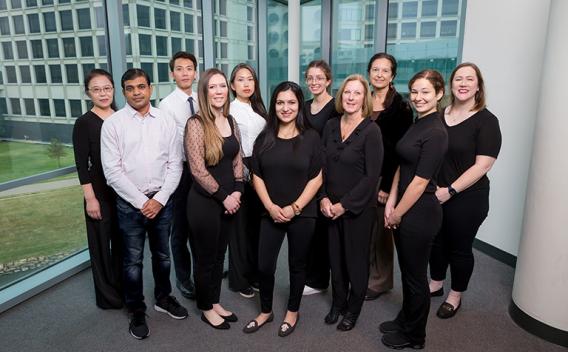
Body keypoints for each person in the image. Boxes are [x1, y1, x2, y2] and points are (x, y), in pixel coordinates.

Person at [101, 68, 188, 340]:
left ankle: (164, 297)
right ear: (123, 91)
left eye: (141, 86)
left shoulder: (166, 120)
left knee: (163, 255)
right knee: (132, 261)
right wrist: (142, 202)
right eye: (130, 88)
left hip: (162, 201)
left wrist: (159, 199)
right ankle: (136, 309)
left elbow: (176, 164)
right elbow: (112, 172)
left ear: (150, 88)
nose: (136, 92)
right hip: (130, 204)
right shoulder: (113, 124)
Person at [243, 81, 322, 337]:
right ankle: (266, 311)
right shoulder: (265, 137)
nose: (285, 108)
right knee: (264, 265)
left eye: (291, 102)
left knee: (297, 265)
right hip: (271, 211)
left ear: (299, 105)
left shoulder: (311, 137)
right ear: (273, 105)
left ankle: (292, 311)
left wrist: (295, 208)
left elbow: (317, 177)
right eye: (280, 102)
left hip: (302, 212)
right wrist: (270, 206)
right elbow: (256, 175)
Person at [380, 69, 448, 349]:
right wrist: (392, 202)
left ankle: (415, 335)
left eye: (425, 92)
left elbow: (420, 182)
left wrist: (397, 213)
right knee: (408, 272)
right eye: (415, 92)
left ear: (439, 94)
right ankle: (405, 319)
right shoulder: (417, 122)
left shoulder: (436, 131)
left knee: (415, 277)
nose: (418, 98)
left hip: (420, 214)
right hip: (404, 207)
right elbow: (401, 166)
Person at [428, 63, 502, 319]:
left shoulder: (486, 120)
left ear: (478, 86)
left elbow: (483, 165)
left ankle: (455, 294)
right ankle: (436, 283)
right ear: (451, 84)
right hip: (435, 193)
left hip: (468, 197)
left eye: (469, 79)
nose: (463, 83)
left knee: (459, 247)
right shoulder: (439, 114)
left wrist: (450, 190)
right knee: (436, 243)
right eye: (458, 78)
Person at [320, 74, 383, 331]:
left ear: (364, 98)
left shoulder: (371, 130)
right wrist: (323, 197)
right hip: (329, 206)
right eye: (347, 92)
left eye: (357, 93)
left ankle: (353, 309)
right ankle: (338, 303)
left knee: (355, 261)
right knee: (335, 259)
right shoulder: (331, 126)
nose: (351, 97)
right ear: (341, 95)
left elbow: (371, 177)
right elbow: (320, 166)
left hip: (356, 209)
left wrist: (343, 205)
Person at [185, 68, 244, 330]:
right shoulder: (196, 124)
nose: (219, 91)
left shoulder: (231, 122)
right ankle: (206, 308)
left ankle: (215, 300)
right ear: (204, 91)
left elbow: (238, 160)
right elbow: (197, 169)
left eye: (222, 86)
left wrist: (238, 191)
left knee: (220, 255)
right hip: (205, 203)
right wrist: (224, 197)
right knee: (205, 258)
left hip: (230, 200)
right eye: (213, 87)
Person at [72, 69, 122, 310]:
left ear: (113, 90)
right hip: (99, 194)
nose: (103, 93)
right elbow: (82, 165)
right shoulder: (84, 123)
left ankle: (123, 289)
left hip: (122, 192)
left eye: (107, 88)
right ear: (88, 93)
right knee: (101, 247)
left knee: (123, 244)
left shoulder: (123, 116)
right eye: (97, 89)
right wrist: (90, 198)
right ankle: (108, 298)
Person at [365, 53, 413, 301]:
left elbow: (398, 151)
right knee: (364, 230)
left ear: (393, 75)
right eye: (375, 70)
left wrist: (385, 186)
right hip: (362, 177)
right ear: (369, 73)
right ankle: (364, 274)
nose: (379, 74)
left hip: (384, 180)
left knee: (381, 233)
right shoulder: (363, 100)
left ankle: (380, 281)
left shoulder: (401, 107)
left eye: (385, 70)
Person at [158, 51, 199, 300]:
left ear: (195, 72)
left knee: (202, 224)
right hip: (182, 171)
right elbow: (169, 144)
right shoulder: (166, 105)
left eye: (189, 68)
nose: (185, 73)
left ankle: (205, 269)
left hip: (203, 169)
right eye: (180, 69)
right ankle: (184, 278)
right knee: (181, 229)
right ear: (172, 73)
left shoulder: (202, 98)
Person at [227, 63, 267, 299]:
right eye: (241, 80)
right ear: (233, 85)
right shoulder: (229, 110)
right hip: (240, 169)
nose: (246, 84)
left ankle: (254, 273)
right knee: (240, 229)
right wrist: (244, 174)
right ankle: (239, 279)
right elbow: (232, 148)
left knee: (257, 228)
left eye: (250, 79)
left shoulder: (259, 108)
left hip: (260, 170)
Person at [302, 60, 340, 296]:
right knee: (308, 226)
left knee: (323, 229)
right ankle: (310, 274)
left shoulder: (336, 107)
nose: (314, 82)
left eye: (319, 78)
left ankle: (319, 280)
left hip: (327, 172)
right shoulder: (304, 106)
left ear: (328, 81)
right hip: (305, 171)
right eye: (310, 78)